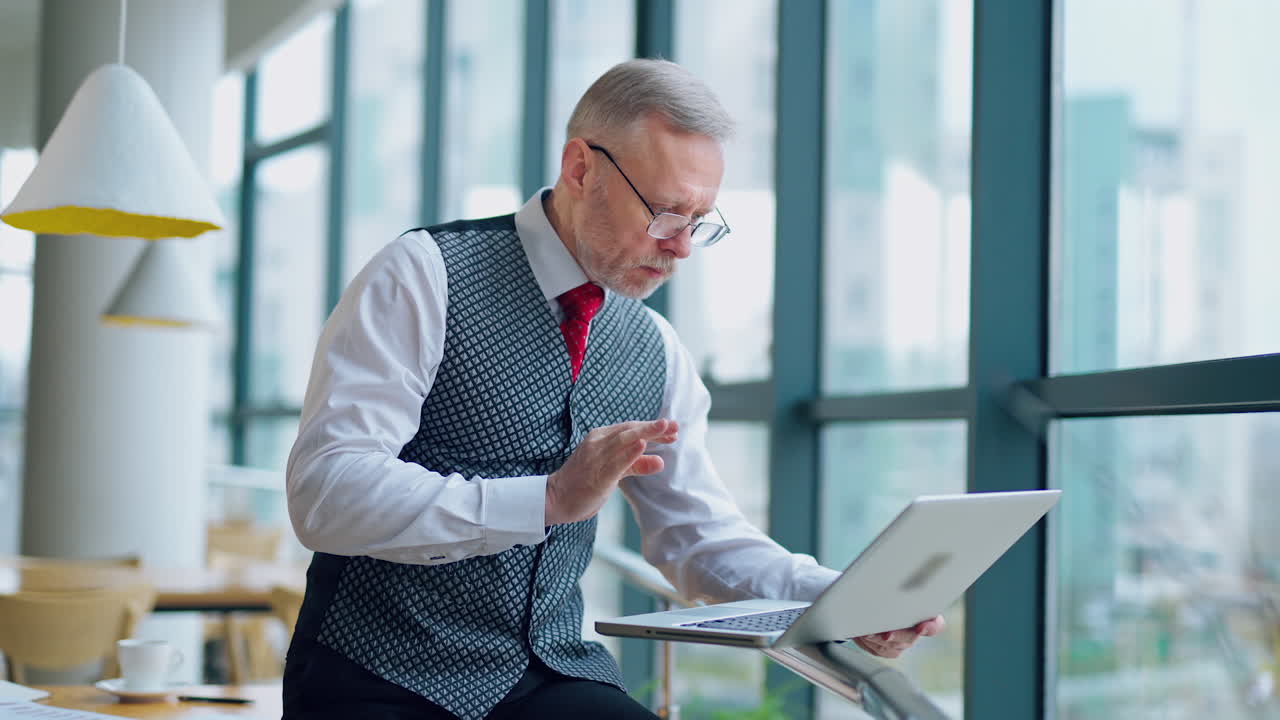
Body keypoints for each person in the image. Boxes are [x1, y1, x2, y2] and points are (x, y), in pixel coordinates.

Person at [281, 59, 943, 720]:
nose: (681, 247)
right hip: (376, 678)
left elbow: (699, 536)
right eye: (664, 213)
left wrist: (841, 600)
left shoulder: (655, 347)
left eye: (700, 221)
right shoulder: (424, 275)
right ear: (580, 169)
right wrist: (546, 499)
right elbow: (327, 493)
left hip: (549, 679)